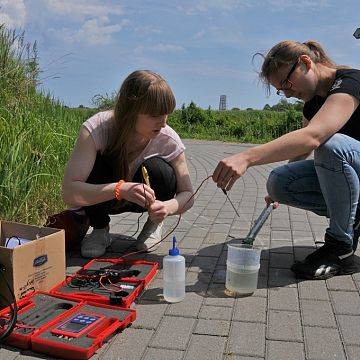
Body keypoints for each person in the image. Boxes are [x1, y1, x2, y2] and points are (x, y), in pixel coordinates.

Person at [213, 40, 360, 280]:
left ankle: (340, 250)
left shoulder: (351, 82)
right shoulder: (311, 105)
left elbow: (313, 137)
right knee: (280, 182)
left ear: (305, 63)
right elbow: (301, 149)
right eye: (281, 90)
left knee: (331, 145)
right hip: (355, 176)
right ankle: (352, 218)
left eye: (286, 84)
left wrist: (246, 157)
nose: (288, 93)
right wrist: (280, 192)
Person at [61, 70, 194, 258]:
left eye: (166, 114)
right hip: (106, 199)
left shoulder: (167, 139)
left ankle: (153, 224)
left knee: (160, 170)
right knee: (98, 163)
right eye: (155, 115)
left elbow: (188, 193)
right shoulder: (97, 130)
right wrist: (120, 189)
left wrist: (168, 207)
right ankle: (100, 227)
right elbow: (69, 193)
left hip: (146, 203)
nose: (163, 123)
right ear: (130, 111)